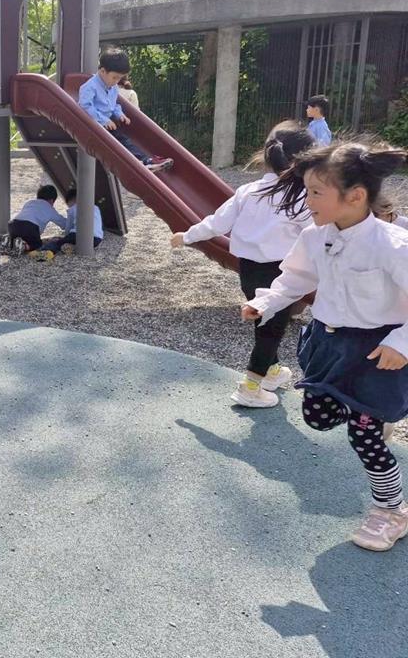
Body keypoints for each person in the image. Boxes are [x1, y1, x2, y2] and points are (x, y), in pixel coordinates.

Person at [243, 141, 408, 551]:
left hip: (378, 351)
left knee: (363, 435)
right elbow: (295, 279)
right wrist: (265, 301)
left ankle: (391, 510)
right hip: (329, 342)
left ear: (355, 196)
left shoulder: (393, 245)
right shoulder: (315, 237)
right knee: (317, 416)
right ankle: (373, 414)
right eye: (307, 190)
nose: (307, 200)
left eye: (316, 192)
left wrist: (401, 343)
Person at [171, 125, 316, 407]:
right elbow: (317, 233)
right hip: (281, 273)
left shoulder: (248, 191)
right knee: (271, 330)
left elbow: (217, 223)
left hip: (248, 269)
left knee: (264, 321)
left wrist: (186, 236)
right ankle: (250, 387)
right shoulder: (300, 197)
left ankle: (272, 371)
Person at [79, 49, 172, 171]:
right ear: (102, 71)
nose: (117, 81)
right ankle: (142, 162)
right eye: (114, 77)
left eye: (119, 78)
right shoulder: (90, 87)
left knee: (125, 140)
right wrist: (103, 120)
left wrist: (120, 114)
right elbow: (85, 106)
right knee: (121, 142)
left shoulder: (112, 87)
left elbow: (113, 105)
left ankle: (145, 161)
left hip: (108, 125)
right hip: (94, 127)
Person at [28, 187, 104, 261]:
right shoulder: (96, 208)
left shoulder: (73, 209)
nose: (69, 206)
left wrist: (65, 237)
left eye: (68, 204)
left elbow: (68, 226)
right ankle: (72, 248)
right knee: (71, 242)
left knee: (57, 243)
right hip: (97, 239)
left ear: (72, 201)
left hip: (79, 235)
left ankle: (46, 252)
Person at [4, 185, 69, 255]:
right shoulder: (49, 208)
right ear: (52, 200)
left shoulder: (29, 202)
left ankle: (9, 244)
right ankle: (23, 247)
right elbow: (63, 223)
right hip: (29, 227)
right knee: (36, 244)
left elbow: (25, 215)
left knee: (20, 239)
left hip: (13, 225)